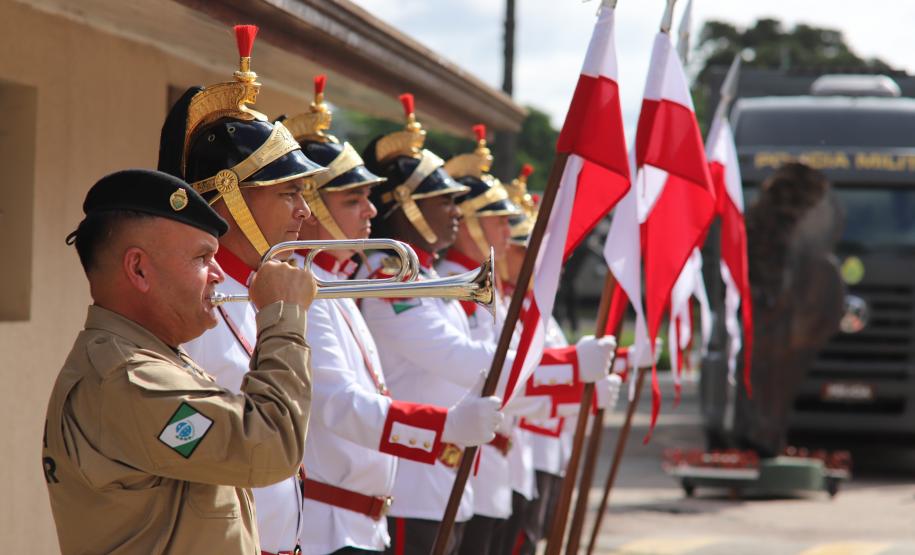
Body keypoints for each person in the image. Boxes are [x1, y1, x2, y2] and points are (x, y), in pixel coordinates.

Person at [43, 169, 316, 554]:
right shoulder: (131, 380)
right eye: (203, 258)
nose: (219, 275)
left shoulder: (150, 359)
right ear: (138, 269)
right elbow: (270, 447)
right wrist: (283, 314)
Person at [283, 76, 503, 554]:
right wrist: (441, 428)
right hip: (330, 526)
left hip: (362, 518)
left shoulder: (338, 281)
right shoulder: (307, 288)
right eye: (352, 200)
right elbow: (339, 405)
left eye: (368, 197)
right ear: (312, 208)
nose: (370, 210)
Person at [157, 25, 325, 555]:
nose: (305, 210)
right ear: (227, 195)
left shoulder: (255, 289)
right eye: (289, 193)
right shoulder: (188, 302)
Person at [357, 93, 504, 555]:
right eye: (444, 200)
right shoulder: (390, 283)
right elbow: (462, 362)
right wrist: (553, 362)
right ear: (407, 206)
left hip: (440, 473)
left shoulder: (425, 278)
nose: (457, 212)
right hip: (413, 481)